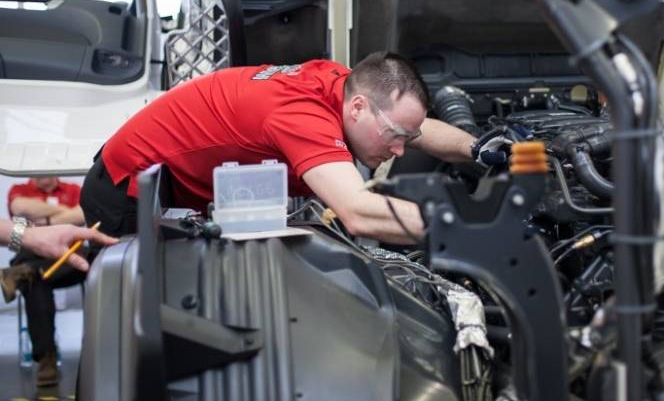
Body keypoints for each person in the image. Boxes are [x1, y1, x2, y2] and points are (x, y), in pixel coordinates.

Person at [80, 52, 506, 243]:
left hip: (165, 183)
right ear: (358, 108)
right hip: (126, 192)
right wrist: (468, 225)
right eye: (394, 136)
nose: (399, 151)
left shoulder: (342, 84)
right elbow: (357, 212)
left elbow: (414, 127)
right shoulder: (303, 117)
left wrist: (475, 148)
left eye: (404, 140)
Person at [1, 177, 101, 387]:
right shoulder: (19, 190)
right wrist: (62, 217)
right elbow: (19, 208)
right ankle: (46, 356)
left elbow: (81, 214)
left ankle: (22, 273)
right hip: (30, 254)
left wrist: (40, 223)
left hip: (68, 258)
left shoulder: (74, 189)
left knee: (83, 258)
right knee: (36, 282)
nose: (42, 177)